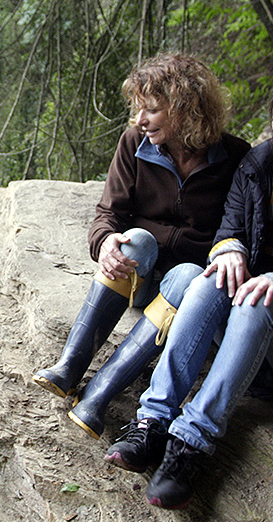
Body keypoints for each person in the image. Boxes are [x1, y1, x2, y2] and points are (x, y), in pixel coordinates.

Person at [106, 69, 273, 510]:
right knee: (212, 276)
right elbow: (230, 228)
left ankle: (191, 445)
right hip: (245, 322)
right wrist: (230, 250)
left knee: (261, 299)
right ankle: (153, 421)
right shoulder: (256, 164)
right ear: (272, 118)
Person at [33, 53, 249, 439]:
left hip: (190, 294)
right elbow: (108, 213)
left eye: (151, 110)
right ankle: (69, 368)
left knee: (186, 276)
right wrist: (105, 243)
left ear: (187, 110)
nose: (139, 121)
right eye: (138, 109)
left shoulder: (235, 158)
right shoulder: (134, 143)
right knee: (136, 240)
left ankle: (97, 399)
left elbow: (238, 232)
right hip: (138, 278)